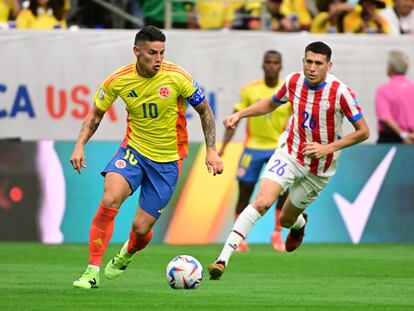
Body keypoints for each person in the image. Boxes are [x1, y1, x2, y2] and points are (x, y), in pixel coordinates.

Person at [71, 25, 223, 289]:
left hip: (167, 161)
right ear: (137, 51)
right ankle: (91, 271)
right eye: (152, 53)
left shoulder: (178, 77)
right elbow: (95, 115)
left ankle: (127, 253)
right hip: (133, 151)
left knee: (141, 230)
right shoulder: (118, 80)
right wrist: (79, 145)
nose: (159, 59)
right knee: (109, 199)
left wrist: (211, 149)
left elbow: (205, 111)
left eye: (162, 53)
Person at [208, 41, 370, 280]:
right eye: (308, 61)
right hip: (290, 153)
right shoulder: (294, 82)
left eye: (318, 63)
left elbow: (363, 131)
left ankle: (299, 224)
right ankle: (222, 259)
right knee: (262, 201)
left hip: (319, 170)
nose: (312, 68)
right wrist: (240, 114)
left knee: (286, 218)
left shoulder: (340, 93)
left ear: (329, 65)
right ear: (303, 61)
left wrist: (328, 148)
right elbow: (271, 103)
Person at [218, 50, 291, 252]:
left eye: (275, 62)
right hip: (253, 148)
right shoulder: (249, 90)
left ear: (280, 65)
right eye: (268, 62)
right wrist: (223, 147)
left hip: (279, 149)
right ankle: (239, 238)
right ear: (262, 65)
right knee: (245, 192)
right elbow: (235, 118)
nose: (271, 66)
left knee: (284, 191)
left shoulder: (287, 90)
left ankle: (277, 234)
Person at [375, 50, 414, 143]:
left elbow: (385, 117)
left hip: (390, 139)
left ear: (390, 67)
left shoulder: (383, 89)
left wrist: (403, 135)